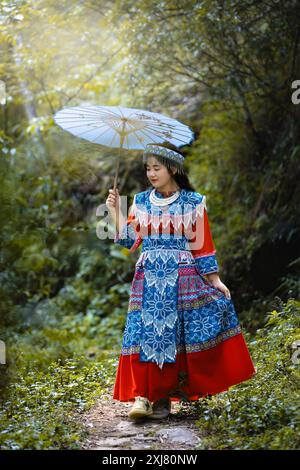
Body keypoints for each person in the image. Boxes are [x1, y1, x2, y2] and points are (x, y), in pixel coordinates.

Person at [106, 141, 256, 421]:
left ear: (173, 168)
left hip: (182, 277)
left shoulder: (193, 202)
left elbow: (202, 245)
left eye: (157, 167)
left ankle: (163, 399)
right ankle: (143, 396)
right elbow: (130, 240)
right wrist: (115, 210)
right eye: (148, 168)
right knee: (145, 331)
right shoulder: (139, 202)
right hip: (147, 277)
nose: (151, 173)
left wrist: (215, 280)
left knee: (174, 336)